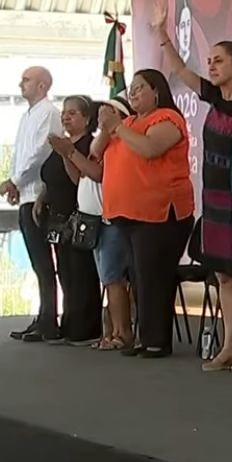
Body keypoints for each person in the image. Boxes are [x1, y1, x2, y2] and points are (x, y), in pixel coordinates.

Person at [152, 4, 232, 373]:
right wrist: (162, 34)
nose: (212, 66)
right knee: (222, 274)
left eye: (219, 60)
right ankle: (231, 344)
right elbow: (181, 71)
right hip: (214, 199)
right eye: (209, 60)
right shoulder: (216, 97)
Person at [99, 70, 195, 358]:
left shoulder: (167, 118)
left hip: (161, 214)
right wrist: (107, 128)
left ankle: (157, 341)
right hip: (130, 214)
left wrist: (118, 128)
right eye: (131, 88)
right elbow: (96, 151)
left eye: (140, 87)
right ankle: (146, 337)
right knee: (138, 278)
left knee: (154, 277)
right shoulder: (128, 122)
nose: (133, 93)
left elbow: (151, 148)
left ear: (156, 91)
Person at [69, 97, 136, 351]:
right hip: (94, 219)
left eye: (107, 112)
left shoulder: (121, 141)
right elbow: (89, 162)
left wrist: (71, 152)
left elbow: (97, 172)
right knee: (107, 278)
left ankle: (122, 332)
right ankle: (113, 330)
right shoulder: (103, 141)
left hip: (110, 219)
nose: (101, 116)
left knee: (113, 277)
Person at [35, 96, 102, 346]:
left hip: (80, 215)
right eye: (64, 112)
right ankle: (69, 321)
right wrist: (42, 198)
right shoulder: (61, 144)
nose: (65, 117)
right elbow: (50, 176)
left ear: (86, 118)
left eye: (72, 113)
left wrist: (67, 153)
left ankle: (87, 327)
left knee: (81, 271)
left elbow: (78, 178)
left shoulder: (89, 144)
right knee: (65, 271)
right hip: (57, 216)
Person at [3, 67, 63, 343]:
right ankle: (42, 315)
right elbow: (20, 153)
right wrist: (14, 184)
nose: (21, 84)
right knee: (38, 263)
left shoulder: (49, 112)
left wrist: (16, 180)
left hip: (41, 195)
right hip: (26, 194)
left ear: (42, 85)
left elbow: (42, 153)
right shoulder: (27, 115)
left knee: (45, 262)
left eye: (26, 80)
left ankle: (49, 319)